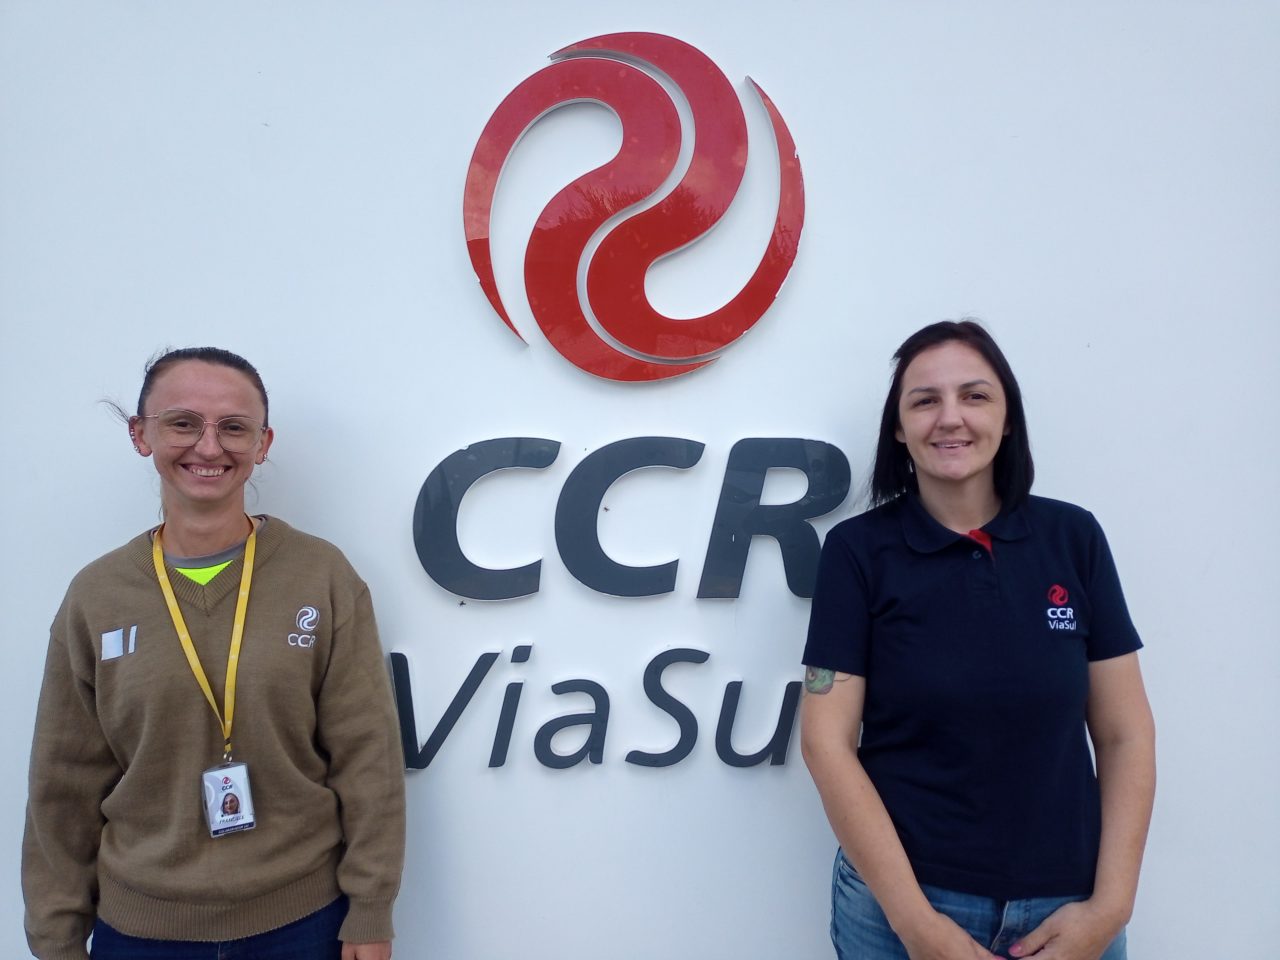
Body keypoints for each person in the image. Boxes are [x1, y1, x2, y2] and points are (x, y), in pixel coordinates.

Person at [23, 347, 406, 960]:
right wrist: (56, 937)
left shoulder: (321, 576)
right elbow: (62, 783)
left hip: (303, 923)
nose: (208, 446)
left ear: (262, 443)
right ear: (141, 434)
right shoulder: (96, 596)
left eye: (233, 427)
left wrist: (370, 908)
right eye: (182, 423)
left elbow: (368, 757)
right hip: (141, 932)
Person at [801, 321, 1155, 960]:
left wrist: (1111, 906)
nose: (950, 418)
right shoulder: (857, 552)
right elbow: (826, 742)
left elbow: (1124, 733)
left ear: (1007, 417)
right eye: (924, 400)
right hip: (903, 906)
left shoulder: (1073, 539)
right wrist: (916, 924)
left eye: (975, 396)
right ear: (898, 429)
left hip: (1068, 908)